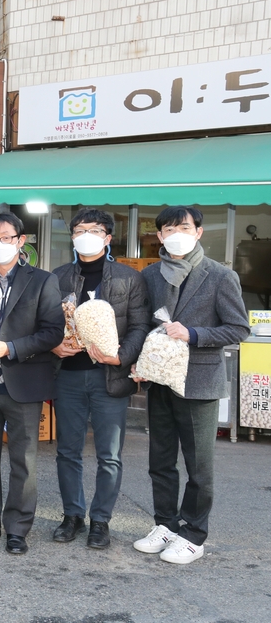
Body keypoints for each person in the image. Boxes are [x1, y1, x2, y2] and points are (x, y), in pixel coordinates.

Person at [131, 206, 248, 564]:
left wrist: (193, 334)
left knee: (199, 466)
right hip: (160, 379)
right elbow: (142, 323)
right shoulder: (150, 275)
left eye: (184, 226)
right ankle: (165, 524)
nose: (176, 233)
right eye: (168, 228)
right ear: (160, 236)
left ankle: (194, 534)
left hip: (199, 382)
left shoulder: (220, 275)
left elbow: (238, 329)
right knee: (160, 460)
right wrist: (140, 359)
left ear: (198, 232)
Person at [0, 213, 63, 555]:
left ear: (21, 241)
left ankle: (17, 528)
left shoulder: (43, 281)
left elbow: (53, 333)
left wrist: (12, 349)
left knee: (24, 459)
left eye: (5, 238)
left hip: (24, 383)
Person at [50, 209, 149, 549]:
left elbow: (139, 325)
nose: (86, 235)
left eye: (94, 230)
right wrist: (55, 346)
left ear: (108, 238)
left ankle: (101, 521)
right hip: (69, 378)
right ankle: (72, 515)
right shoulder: (59, 276)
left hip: (111, 377)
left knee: (110, 454)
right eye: (80, 229)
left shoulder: (128, 278)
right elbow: (46, 323)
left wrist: (122, 355)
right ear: (72, 236)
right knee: (68, 451)